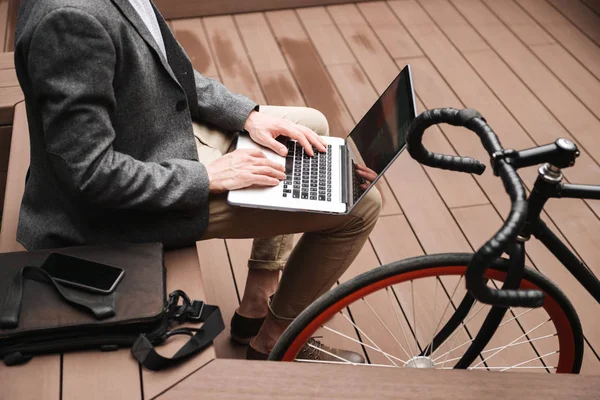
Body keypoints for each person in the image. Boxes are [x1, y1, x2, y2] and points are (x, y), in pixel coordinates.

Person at [13, 0, 381, 360]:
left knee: (307, 128)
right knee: (361, 208)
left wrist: (247, 116)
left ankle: (256, 305)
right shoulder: (71, 21)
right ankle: (277, 340)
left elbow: (169, 69)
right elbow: (90, 174)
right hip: (114, 211)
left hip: (150, 136)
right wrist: (207, 177)